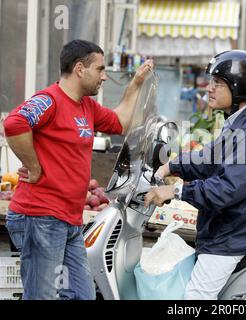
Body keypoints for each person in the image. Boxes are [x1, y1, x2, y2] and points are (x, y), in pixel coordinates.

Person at [3, 39, 154, 300]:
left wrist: (136, 84)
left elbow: (120, 122)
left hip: (70, 220)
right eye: (100, 69)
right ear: (80, 69)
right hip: (41, 216)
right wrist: (33, 166)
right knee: (43, 296)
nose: (104, 77)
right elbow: (14, 123)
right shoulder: (49, 100)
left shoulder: (87, 106)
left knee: (81, 295)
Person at [144, 50, 246, 300]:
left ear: (239, 87)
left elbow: (228, 189)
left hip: (236, 233)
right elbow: (209, 158)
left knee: (195, 299)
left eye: (217, 83)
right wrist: (171, 167)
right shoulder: (241, 120)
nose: (209, 88)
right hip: (228, 228)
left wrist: (175, 190)